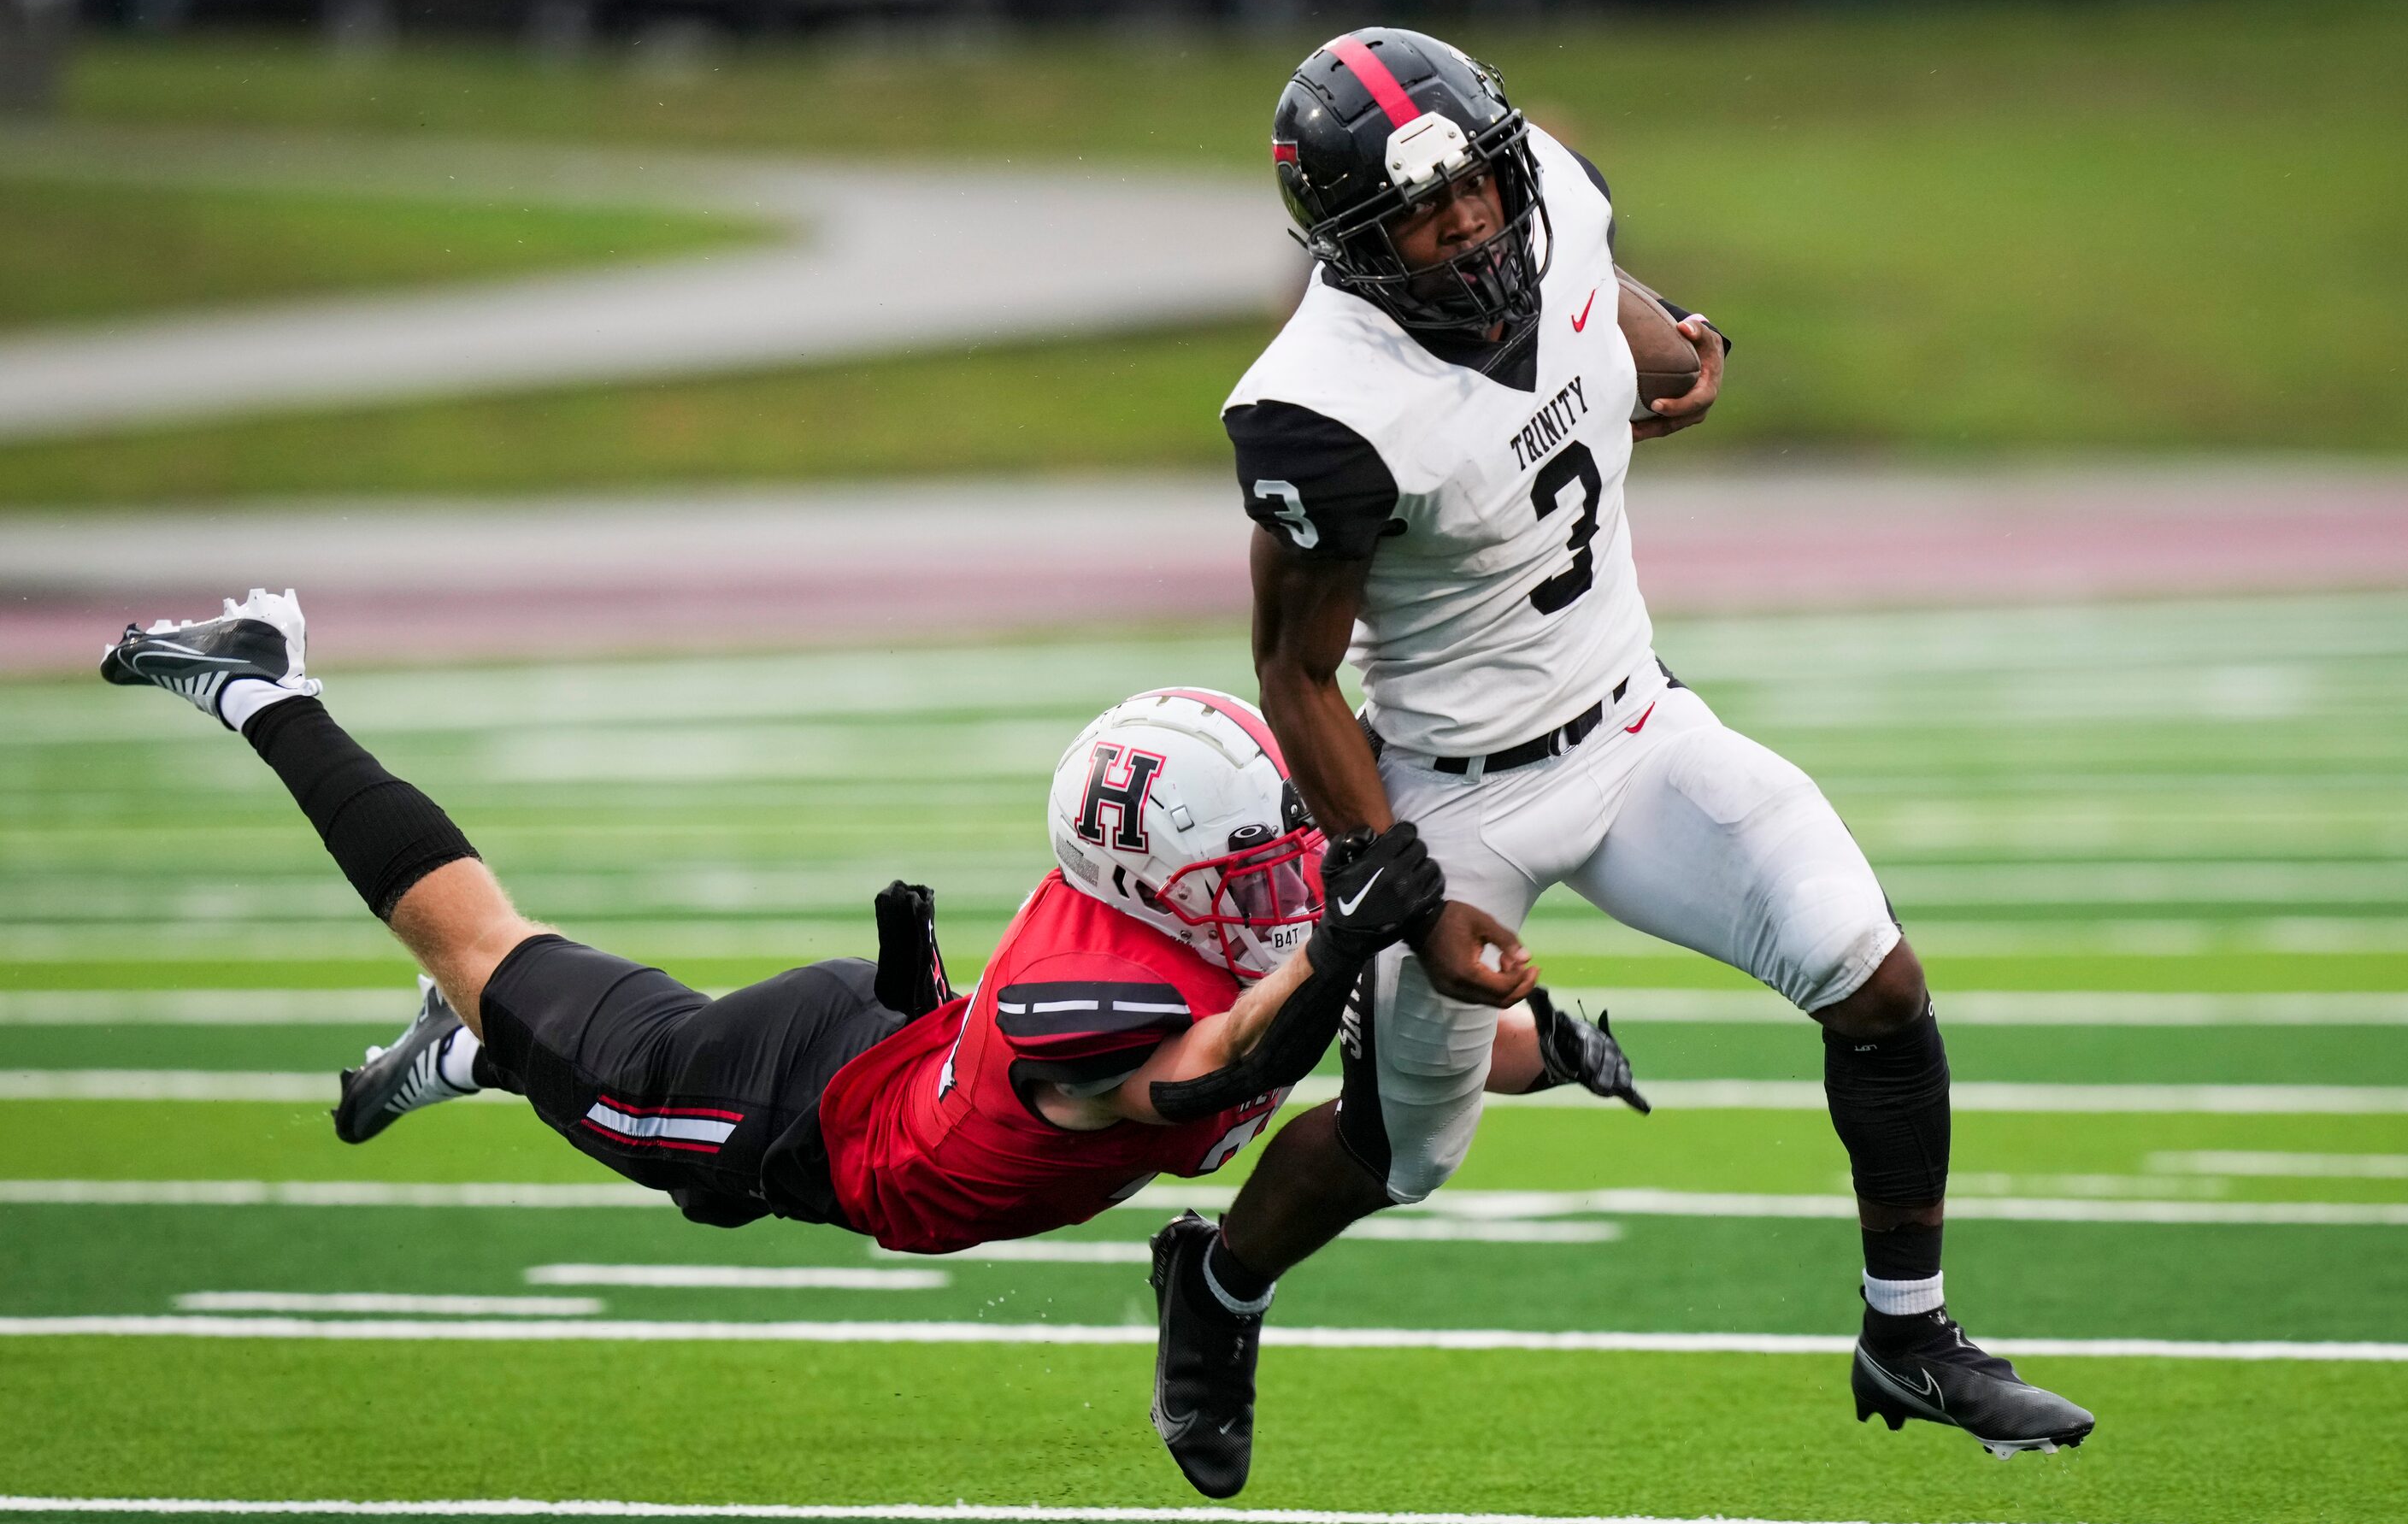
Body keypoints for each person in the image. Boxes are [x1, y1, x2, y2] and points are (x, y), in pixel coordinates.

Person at [1146, 27, 2094, 1496]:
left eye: (1478, 178)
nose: (1468, 219)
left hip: (1635, 719)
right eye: (1422, 205)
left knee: (1876, 978)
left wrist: (1674, 339)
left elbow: (1599, 289)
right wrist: (1396, 892)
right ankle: (1216, 1284)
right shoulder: (1320, 410)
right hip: (1454, 788)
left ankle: (1906, 1333)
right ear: (1349, 240)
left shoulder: (1557, 198)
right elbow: (1294, 669)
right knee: (1405, 1154)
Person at [99, 590, 1645, 1258]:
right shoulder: (1100, 1006)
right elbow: (1211, 1068)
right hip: (810, 1108)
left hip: (891, 1047)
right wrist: (1337, 944)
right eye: (1252, 860)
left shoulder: (1205, 897)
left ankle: (484, 1053)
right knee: (493, 955)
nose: (1282, 876)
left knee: (683, 1175)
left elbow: (1364, 1025)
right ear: (1165, 880)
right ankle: (264, 684)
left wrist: (1548, 1042)